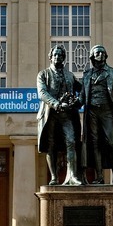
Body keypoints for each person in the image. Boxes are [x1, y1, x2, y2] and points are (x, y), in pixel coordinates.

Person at [80, 45, 113, 185]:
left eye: (103, 52)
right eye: (98, 52)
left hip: (108, 111)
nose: (101, 54)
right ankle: (99, 176)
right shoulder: (87, 75)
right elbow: (81, 97)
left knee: (112, 142)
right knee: (95, 143)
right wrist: (69, 105)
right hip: (92, 112)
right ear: (92, 56)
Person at [36, 45, 84, 186]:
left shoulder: (70, 75)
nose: (58, 57)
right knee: (51, 145)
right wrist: (56, 104)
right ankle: (54, 177)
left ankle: (72, 176)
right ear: (50, 57)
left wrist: (78, 102)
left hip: (67, 115)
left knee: (71, 141)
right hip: (50, 115)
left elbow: (82, 90)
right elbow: (42, 93)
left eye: (60, 55)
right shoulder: (43, 74)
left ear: (64, 58)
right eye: (55, 55)